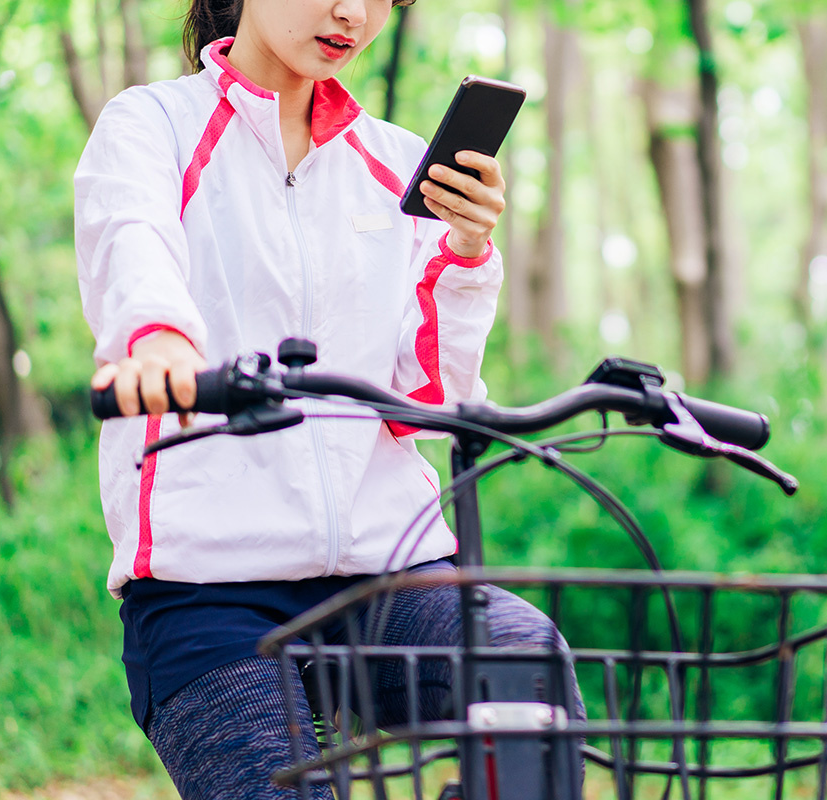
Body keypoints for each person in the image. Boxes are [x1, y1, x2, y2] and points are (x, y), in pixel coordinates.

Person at [75, 1, 579, 797]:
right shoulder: (153, 126)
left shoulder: (397, 165)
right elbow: (131, 238)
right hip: (209, 584)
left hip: (391, 574)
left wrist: (467, 252)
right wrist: (161, 341)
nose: (354, 12)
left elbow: (429, 398)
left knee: (526, 664)